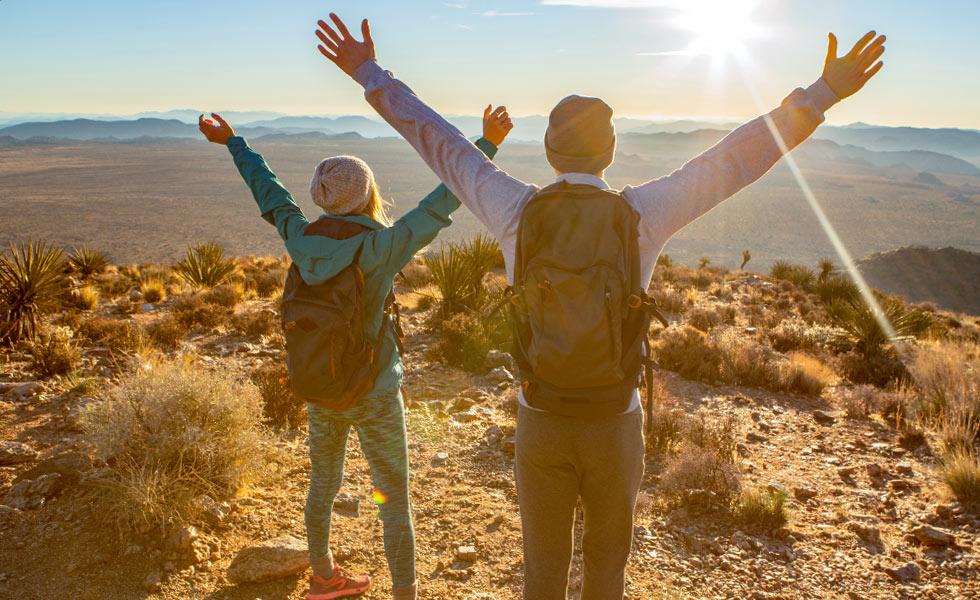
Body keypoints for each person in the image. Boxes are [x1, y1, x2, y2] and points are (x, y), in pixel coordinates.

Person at [314, 13, 886, 600]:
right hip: (617, 422)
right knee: (607, 572)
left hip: (541, 419)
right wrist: (823, 94)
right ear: (610, 151)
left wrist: (368, 72)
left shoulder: (513, 209)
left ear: (548, 149)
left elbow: (439, 142)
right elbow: (734, 159)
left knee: (542, 572)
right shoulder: (643, 213)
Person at [198, 105, 513, 600]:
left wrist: (234, 142)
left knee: (322, 484)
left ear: (320, 198)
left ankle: (324, 576)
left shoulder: (300, 237)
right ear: (368, 196)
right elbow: (440, 205)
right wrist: (486, 144)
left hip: (320, 385)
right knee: (394, 502)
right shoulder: (382, 247)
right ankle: (404, 593)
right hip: (375, 390)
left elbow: (270, 194)